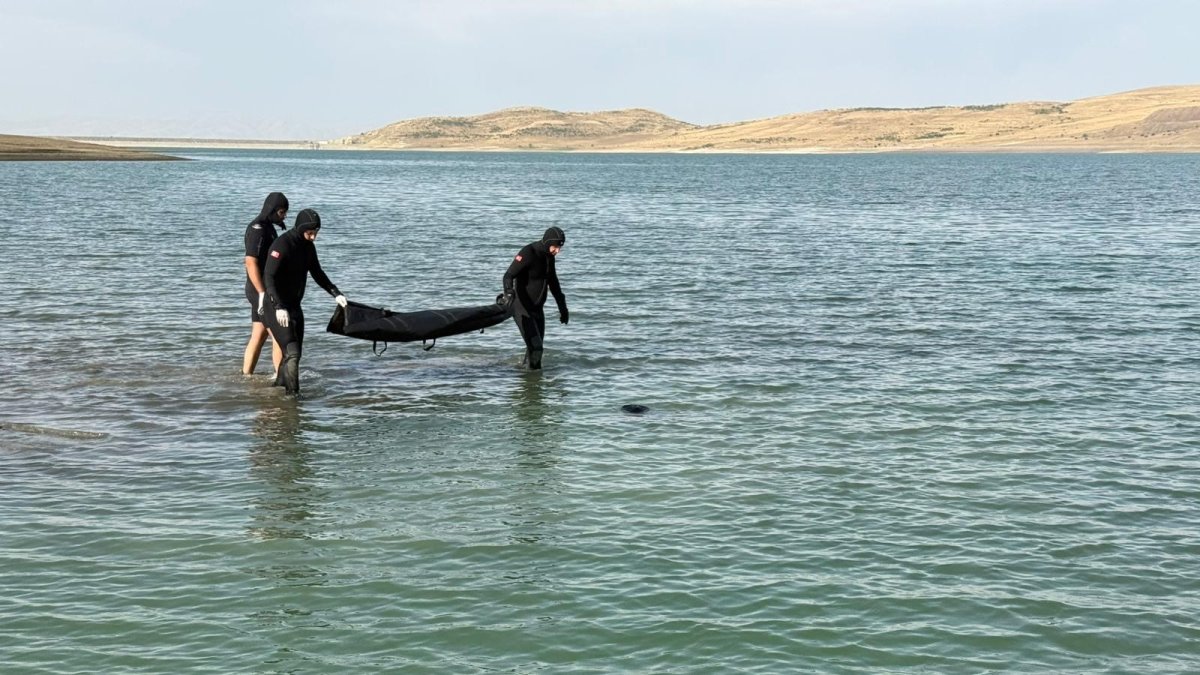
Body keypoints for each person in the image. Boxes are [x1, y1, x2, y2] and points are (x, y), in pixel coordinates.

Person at [262, 208, 348, 394]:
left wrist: (336, 293)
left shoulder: (308, 247)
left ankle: (278, 388)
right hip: (275, 307)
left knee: (292, 355)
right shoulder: (281, 245)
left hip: (294, 307)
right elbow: (268, 278)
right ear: (301, 228)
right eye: (310, 233)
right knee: (293, 353)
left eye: (316, 233)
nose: (313, 237)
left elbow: (317, 273)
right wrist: (278, 306)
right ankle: (293, 397)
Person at [502, 226, 569, 370]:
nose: (557, 251)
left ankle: (527, 378)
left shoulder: (549, 258)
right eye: (555, 246)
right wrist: (508, 292)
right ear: (547, 242)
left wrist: (563, 308)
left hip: (537, 309)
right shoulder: (528, 252)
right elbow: (508, 275)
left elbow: (554, 284)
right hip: (521, 307)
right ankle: (532, 383)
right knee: (536, 348)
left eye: (559, 247)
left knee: (535, 349)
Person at [242, 192, 289, 376]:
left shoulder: (269, 227)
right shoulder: (258, 229)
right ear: (272, 210)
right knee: (279, 337)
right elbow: (250, 262)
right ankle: (281, 378)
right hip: (259, 290)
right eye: (281, 212)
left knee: (259, 334)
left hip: (261, 290)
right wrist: (262, 293)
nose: (283, 216)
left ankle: (246, 376)